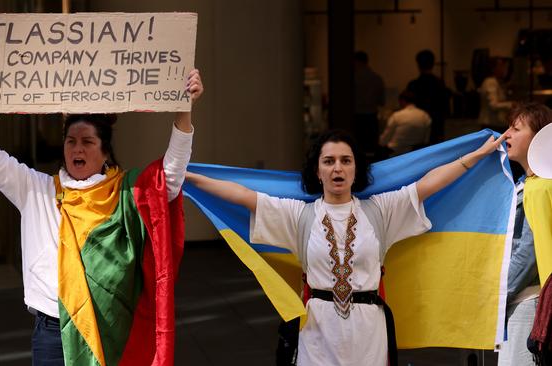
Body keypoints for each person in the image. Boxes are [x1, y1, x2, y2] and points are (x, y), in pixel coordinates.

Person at [0, 65, 203, 366]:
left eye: (87, 142)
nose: (78, 148)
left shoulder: (126, 194)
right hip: (51, 333)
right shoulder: (36, 189)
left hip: (107, 328)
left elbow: (171, 176)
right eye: (71, 141)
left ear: (104, 152)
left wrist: (184, 110)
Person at [185, 129, 504, 366]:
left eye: (345, 161)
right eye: (329, 161)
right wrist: (189, 177)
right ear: (317, 170)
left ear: (355, 169)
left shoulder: (381, 210)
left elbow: (428, 184)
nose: (337, 168)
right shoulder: (298, 214)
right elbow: (241, 195)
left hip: (369, 331)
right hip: (318, 331)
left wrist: (475, 156)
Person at [499, 103, 552, 366]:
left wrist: (495, 297)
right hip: (522, 301)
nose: (506, 134)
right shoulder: (527, 184)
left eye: (516, 128)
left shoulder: (540, 187)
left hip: (528, 301)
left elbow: (528, 254)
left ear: (539, 137)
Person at [406, 49, 450, 144]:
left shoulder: (413, 85)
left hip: (418, 125)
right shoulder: (439, 83)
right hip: (436, 124)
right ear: (433, 64)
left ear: (418, 64)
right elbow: (445, 107)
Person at [379, 90, 431, 157]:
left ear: (402, 101)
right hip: (416, 152)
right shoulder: (425, 115)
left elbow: (385, 139)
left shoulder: (397, 115)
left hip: (395, 152)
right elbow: (426, 140)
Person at [353, 51, 385, 158]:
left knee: (356, 150)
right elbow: (382, 101)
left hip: (356, 118)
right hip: (371, 117)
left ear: (357, 62)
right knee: (371, 151)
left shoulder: (353, 78)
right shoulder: (377, 78)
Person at [478, 57, 513, 133]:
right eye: (501, 66)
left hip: (495, 123)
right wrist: (510, 104)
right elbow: (493, 105)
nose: (504, 69)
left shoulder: (496, 81)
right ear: (493, 68)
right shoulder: (490, 82)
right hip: (491, 124)